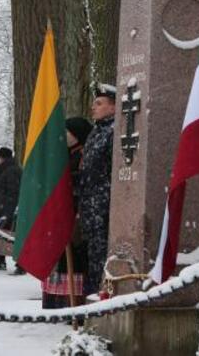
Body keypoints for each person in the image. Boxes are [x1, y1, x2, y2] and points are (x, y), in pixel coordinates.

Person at [42, 117, 92, 308]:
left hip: (76, 214)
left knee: (75, 261)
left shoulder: (83, 155)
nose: (63, 136)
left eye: (67, 132)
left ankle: (72, 304)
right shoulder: (65, 155)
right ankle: (58, 303)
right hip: (61, 214)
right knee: (60, 261)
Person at [80, 83, 116, 296]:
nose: (93, 107)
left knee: (101, 260)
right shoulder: (96, 131)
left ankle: (100, 301)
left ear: (113, 107)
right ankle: (92, 302)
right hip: (90, 209)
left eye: (99, 103)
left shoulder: (113, 132)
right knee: (93, 260)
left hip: (103, 208)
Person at [0, 147, 22, 273]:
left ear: (2, 158)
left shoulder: (10, 171)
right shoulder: (9, 169)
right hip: (9, 208)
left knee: (11, 236)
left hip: (10, 210)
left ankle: (20, 265)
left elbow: (12, 192)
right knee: (9, 236)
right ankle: (1, 261)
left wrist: (7, 212)